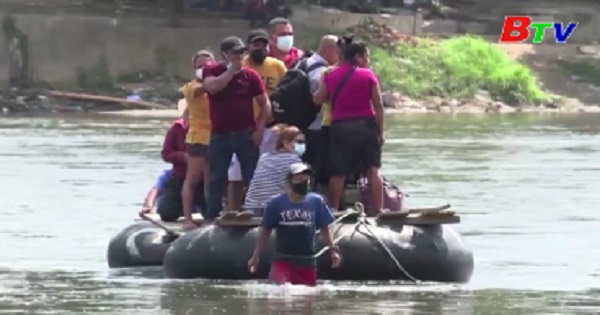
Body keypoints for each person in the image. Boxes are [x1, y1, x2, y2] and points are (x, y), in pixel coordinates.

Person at [202, 36, 271, 224]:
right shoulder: (212, 70)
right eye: (235, 53)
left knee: (253, 175)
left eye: (242, 53)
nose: (239, 56)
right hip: (220, 135)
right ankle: (212, 215)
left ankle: (255, 212)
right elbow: (212, 88)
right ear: (225, 54)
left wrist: (260, 129)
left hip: (246, 134)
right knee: (217, 177)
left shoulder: (251, 76)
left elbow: (265, 104)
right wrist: (230, 72)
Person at [313, 36, 385, 212]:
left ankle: (334, 209)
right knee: (372, 170)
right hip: (366, 126)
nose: (368, 61)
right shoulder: (367, 74)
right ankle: (379, 210)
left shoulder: (329, 75)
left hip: (341, 127)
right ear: (358, 57)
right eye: (367, 57)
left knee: (338, 173)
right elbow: (379, 105)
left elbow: (318, 99)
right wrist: (380, 131)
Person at [247, 162, 341, 286]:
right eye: (300, 179)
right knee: (279, 295)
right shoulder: (276, 203)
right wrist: (255, 256)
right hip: (283, 260)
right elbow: (265, 230)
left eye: (307, 179)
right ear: (290, 181)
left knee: (306, 299)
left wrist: (333, 251)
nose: (305, 182)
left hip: (306, 261)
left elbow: (325, 228)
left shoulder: (317, 201)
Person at [227, 29, 287, 212]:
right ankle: (233, 210)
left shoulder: (277, 66)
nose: (260, 48)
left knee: (269, 171)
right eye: (256, 45)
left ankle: (267, 209)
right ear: (248, 47)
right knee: (236, 174)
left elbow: (287, 93)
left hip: (271, 126)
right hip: (243, 126)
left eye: (264, 45)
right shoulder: (239, 66)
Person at [180, 50, 215, 229]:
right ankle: (187, 217)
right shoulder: (191, 87)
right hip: (197, 138)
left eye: (207, 65)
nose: (204, 69)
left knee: (211, 179)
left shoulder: (219, 85)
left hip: (216, 136)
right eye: (200, 66)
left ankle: (210, 215)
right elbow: (205, 88)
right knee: (193, 178)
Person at [303, 35, 340, 190]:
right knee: (321, 170)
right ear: (327, 50)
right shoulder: (322, 72)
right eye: (338, 52)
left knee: (309, 166)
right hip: (318, 126)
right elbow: (323, 97)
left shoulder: (304, 62)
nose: (340, 56)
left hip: (304, 124)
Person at [243, 125, 304, 215]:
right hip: (274, 208)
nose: (302, 145)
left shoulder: (264, 157)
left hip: (251, 207)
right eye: (299, 142)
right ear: (286, 143)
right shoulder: (294, 160)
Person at [158, 109, 207, 222]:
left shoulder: (209, 126)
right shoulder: (177, 127)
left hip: (204, 178)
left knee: (211, 211)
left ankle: (197, 209)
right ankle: (187, 210)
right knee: (167, 213)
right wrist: (184, 157)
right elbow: (166, 153)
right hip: (180, 175)